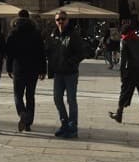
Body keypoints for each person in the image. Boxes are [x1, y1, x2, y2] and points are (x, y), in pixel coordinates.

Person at [6, 9, 46, 132]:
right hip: (33, 69)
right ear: (29, 19)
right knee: (30, 96)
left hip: (18, 68)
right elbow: (41, 53)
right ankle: (28, 123)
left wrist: (8, 68)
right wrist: (43, 70)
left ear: (17, 18)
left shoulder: (13, 33)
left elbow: (9, 53)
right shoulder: (36, 33)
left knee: (18, 95)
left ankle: (22, 113)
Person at [46, 10, 85, 139]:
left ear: (67, 20)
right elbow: (49, 51)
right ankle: (64, 124)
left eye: (63, 19)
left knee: (71, 100)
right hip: (58, 72)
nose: (60, 21)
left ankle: (73, 127)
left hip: (70, 73)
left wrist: (70, 62)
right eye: (58, 19)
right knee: (57, 98)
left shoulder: (73, 35)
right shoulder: (53, 34)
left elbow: (81, 53)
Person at [109, 25, 139, 127]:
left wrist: (122, 75)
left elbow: (123, 61)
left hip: (130, 71)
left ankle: (119, 114)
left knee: (125, 93)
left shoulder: (125, 41)